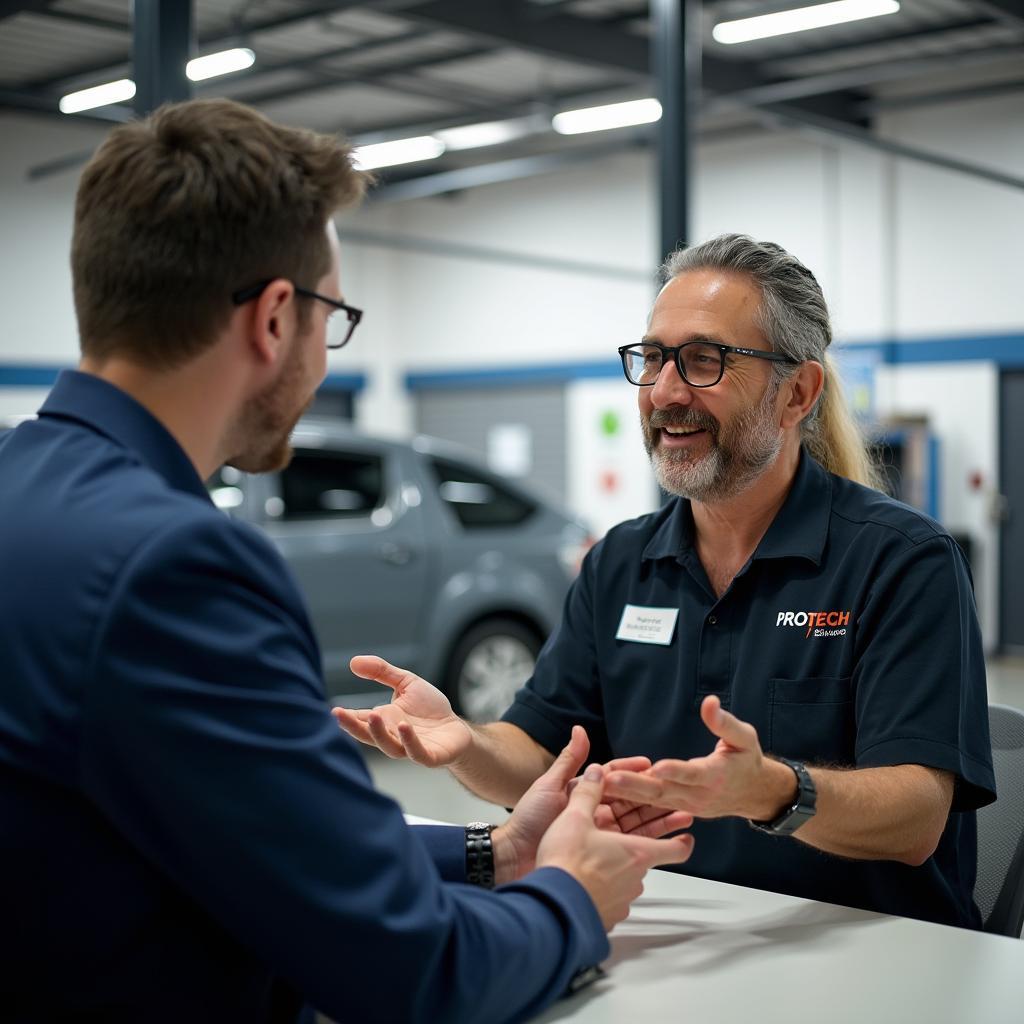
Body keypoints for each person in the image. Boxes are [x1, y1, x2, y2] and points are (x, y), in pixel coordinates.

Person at [0, 98, 697, 1024]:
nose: (327, 358)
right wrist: (572, 898)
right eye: (333, 315)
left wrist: (493, 856)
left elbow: (249, 838)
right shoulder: (175, 566)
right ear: (276, 319)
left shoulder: (23, 484)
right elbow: (415, 973)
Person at [336, 233, 996, 930]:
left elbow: (917, 816)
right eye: (652, 358)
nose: (665, 392)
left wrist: (773, 791)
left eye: (704, 361)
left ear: (796, 393)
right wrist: (466, 743)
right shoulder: (621, 563)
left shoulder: (900, 561)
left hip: (876, 956)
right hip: (672, 936)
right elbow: (542, 758)